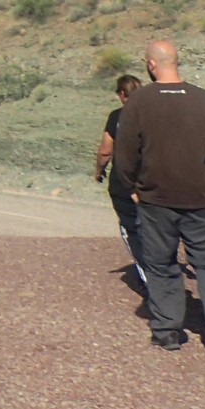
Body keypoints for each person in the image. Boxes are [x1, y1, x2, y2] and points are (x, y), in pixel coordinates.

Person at [113, 39, 205, 360]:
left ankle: (168, 330)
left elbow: (124, 155)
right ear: (176, 62)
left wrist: (133, 190)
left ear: (151, 65)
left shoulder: (139, 103)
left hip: (156, 202)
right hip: (203, 201)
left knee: (162, 264)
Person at [94, 73, 146, 284]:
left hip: (125, 183)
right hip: (154, 180)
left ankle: (150, 279)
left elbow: (106, 151)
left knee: (132, 231)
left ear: (123, 94)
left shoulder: (117, 116)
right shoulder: (155, 115)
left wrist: (99, 171)